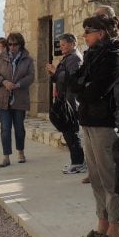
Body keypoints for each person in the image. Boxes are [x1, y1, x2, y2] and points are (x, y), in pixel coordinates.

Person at [71, 14, 119, 237]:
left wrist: (82, 88)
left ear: (101, 33)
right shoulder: (93, 55)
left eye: (88, 31)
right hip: (88, 120)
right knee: (95, 177)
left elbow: (94, 91)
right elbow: (74, 85)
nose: (85, 35)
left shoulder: (114, 57)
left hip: (105, 122)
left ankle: (114, 230)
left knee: (110, 178)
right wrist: (83, 88)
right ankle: (101, 225)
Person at [0, 31, 34, 167]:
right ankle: (6, 157)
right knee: (5, 129)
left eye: (15, 44)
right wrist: (5, 82)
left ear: (21, 45)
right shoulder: (0, 58)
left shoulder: (27, 59)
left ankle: (21, 152)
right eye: (9, 44)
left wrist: (18, 84)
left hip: (19, 98)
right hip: (4, 98)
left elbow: (31, 76)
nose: (12, 47)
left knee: (19, 128)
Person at [46, 33, 85, 173]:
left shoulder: (75, 58)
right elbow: (59, 78)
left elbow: (71, 77)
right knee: (68, 131)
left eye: (64, 45)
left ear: (73, 44)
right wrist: (53, 74)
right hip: (65, 99)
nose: (61, 47)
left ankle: (78, 162)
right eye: (60, 45)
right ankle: (77, 161)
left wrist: (55, 71)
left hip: (71, 100)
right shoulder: (67, 58)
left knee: (71, 131)